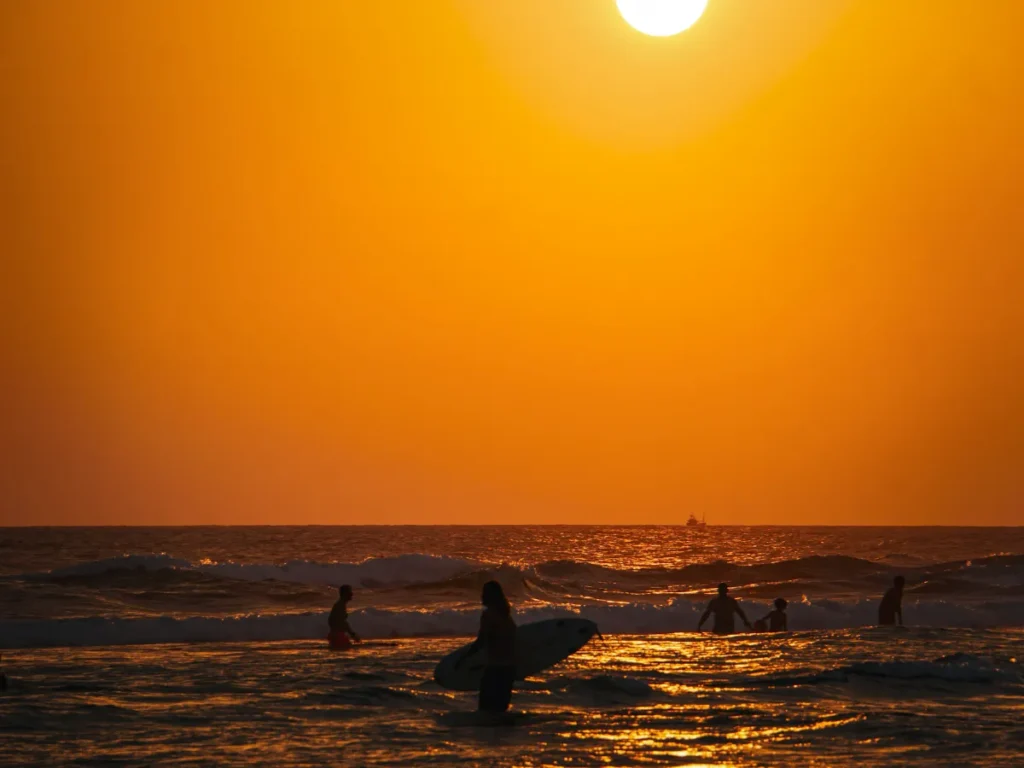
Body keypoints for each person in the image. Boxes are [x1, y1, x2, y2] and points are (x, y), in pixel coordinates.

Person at [458, 580, 517, 713]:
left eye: (484, 593)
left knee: (486, 709)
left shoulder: (488, 615)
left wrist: (465, 658)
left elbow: (482, 641)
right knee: (501, 709)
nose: (481, 596)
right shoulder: (506, 616)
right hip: (509, 669)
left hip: (495, 669)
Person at [327, 584, 361, 648]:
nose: (352, 594)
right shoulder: (340, 605)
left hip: (336, 635)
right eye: (350, 592)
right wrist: (352, 634)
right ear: (345, 594)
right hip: (338, 636)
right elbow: (342, 622)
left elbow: (331, 620)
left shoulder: (340, 604)